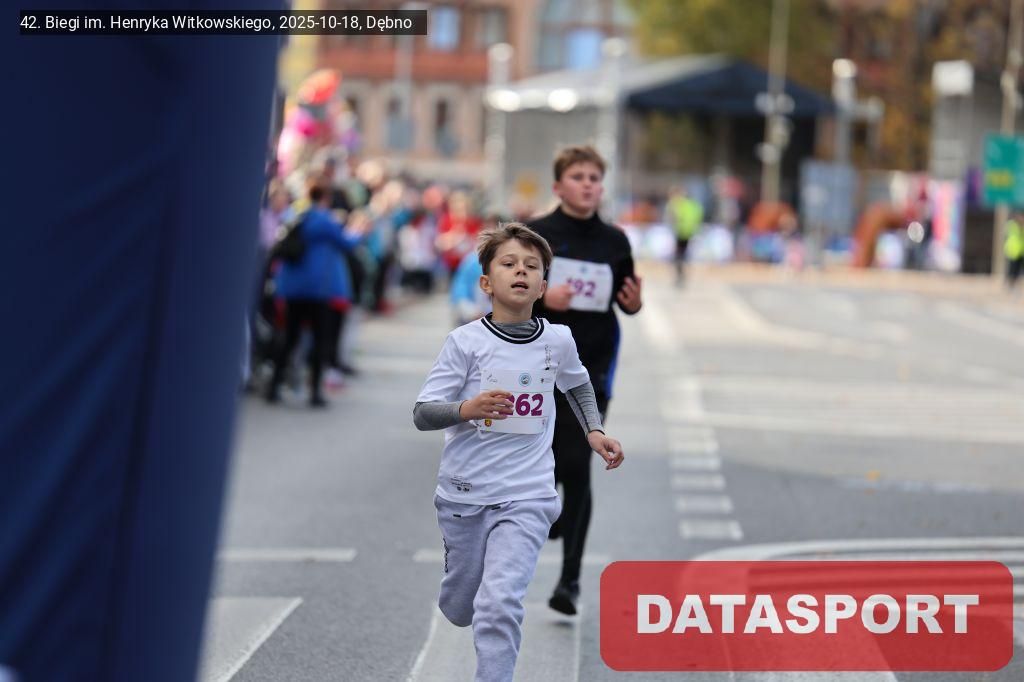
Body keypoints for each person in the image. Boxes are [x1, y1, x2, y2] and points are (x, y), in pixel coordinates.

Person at [413, 223, 625, 682]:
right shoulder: (465, 343)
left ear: (543, 286)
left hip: (528, 493)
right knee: (462, 605)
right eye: (509, 264)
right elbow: (423, 413)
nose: (521, 272)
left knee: (499, 603)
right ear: (486, 282)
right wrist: (468, 408)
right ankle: (459, 588)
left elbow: (578, 384)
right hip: (464, 494)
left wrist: (594, 430)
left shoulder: (557, 340)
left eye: (532, 266)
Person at [528, 145, 642, 616]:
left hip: (592, 366)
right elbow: (508, 294)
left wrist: (634, 304)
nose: (588, 184)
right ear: (559, 186)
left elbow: (628, 299)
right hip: (536, 365)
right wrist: (543, 298)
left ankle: (570, 581)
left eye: (594, 177)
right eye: (578, 176)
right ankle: (553, 509)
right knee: (547, 462)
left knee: (577, 463)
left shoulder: (615, 241)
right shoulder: (535, 235)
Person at [265, 185, 360, 407]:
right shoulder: (326, 220)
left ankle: (274, 387)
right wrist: (358, 230)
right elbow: (347, 243)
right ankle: (315, 392)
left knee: (289, 338)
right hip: (318, 290)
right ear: (326, 197)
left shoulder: (296, 215)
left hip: (293, 288)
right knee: (320, 340)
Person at [666, 185, 703, 285]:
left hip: (681, 232)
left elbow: (673, 217)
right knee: (683, 255)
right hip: (688, 232)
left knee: (679, 255)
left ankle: (681, 274)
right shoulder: (691, 204)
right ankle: (682, 274)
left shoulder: (677, 204)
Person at [1005, 211, 1023, 290]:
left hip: (1020, 251)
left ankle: (1014, 284)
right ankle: (1010, 284)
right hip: (1012, 251)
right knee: (1012, 269)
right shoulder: (1012, 225)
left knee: (1017, 269)